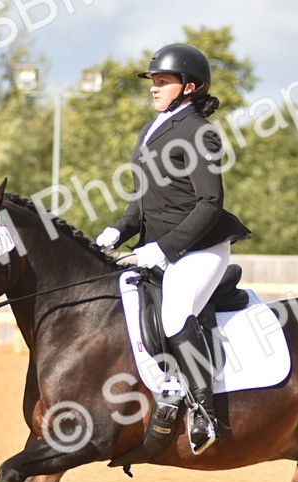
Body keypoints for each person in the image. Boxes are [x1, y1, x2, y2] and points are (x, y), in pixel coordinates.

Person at [96, 43, 251, 454]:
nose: (154, 87)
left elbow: (210, 203)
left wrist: (165, 249)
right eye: (153, 81)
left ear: (189, 87)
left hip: (200, 248)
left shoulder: (200, 132)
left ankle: (203, 412)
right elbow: (145, 199)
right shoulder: (154, 128)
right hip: (158, 247)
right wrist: (119, 229)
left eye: (163, 81)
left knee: (176, 312)